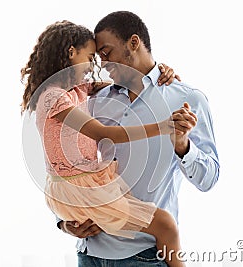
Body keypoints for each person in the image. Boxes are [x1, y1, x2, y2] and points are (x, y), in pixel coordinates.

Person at [20, 20, 193, 267]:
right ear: (71, 53)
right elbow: (103, 133)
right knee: (165, 225)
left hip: (84, 183)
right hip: (76, 186)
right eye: (90, 57)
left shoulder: (77, 89)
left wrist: (158, 73)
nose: (94, 66)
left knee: (163, 225)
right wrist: (163, 127)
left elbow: (130, 82)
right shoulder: (53, 98)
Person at [57, 11, 220, 267]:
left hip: (143, 256)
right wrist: (64, 221)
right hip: (90, 253)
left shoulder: (187, 99)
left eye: (107, 52)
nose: (103, 63)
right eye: (98, 57)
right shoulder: (95, 101)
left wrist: (183, 147)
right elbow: (65, 163)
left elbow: (208, 179)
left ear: (134, 43)